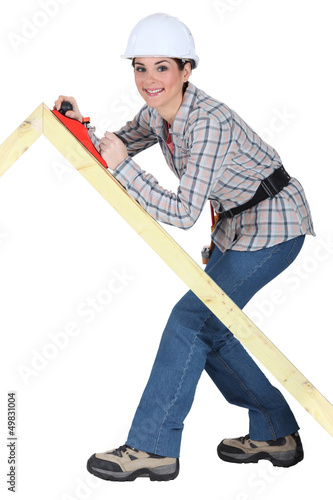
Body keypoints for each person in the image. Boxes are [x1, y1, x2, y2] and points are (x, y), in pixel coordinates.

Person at [54, 13, 314, 482]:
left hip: (276, 225)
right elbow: (118, 146)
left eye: (162, 68)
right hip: (237, 225)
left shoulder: (207, 123)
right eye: (140, 68)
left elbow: (181, 212)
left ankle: (152, 447)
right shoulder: (158, 114)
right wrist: (81, 126)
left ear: (186, 70)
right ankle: (276, 433)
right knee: (210, 328)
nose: (149, 81)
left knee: (189, 320)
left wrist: (123, 169)